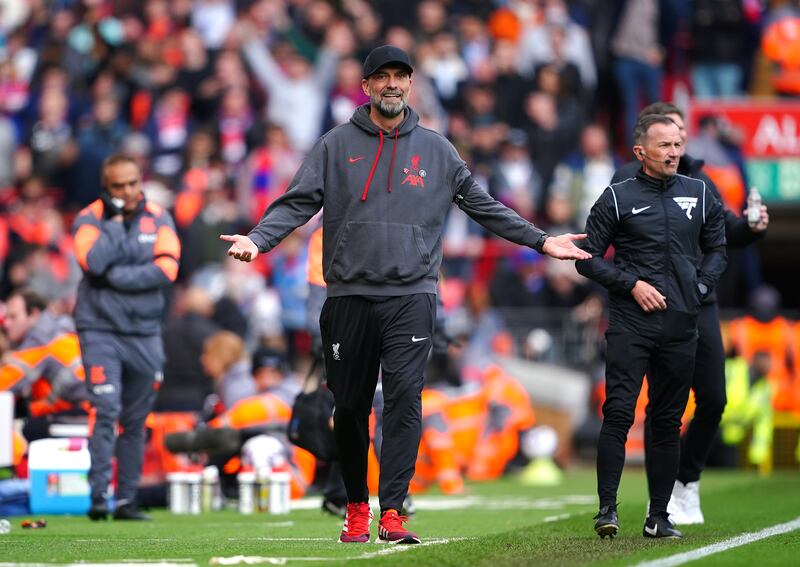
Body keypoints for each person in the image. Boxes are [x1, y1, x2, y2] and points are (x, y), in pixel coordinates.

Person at [220, 45, 590, 545]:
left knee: (403, 402)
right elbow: (295, 203)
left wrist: (542, 240)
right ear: (367, 86)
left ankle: (391, 511)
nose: (393, 84)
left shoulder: (437, 149)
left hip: (411, 296)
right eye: (383, 77)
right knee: (348, 408)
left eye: (401, 77)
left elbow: (485, 206)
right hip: (347, 296)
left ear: (410, 85)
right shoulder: (335, 145)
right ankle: (355, 504)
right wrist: (257, 239)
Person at [611, 102, 769, 525]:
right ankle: (657, 501)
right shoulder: (627, 178)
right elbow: (612, 238)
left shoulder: (702, 180)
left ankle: (688, 481)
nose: (675, 145)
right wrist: (626, 286)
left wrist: (753, 227)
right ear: (648, 140)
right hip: (646, 304)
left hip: (699, 301)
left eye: (679, 135)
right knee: (657, 407)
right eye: (667, 136)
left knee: (715, 398)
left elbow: (725, 234)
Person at [576, 114, 727, 539]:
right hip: (631, 325)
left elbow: (718, 248)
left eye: (678, 144)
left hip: (681, 324)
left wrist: (698, 287)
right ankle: (607, 510)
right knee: (619, 413)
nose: (674, 152)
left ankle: (658, 517)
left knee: (666, 421)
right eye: (664, 145)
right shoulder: (617, 197)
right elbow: (588, 258)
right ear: (641, 152)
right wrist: (632, 285)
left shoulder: (699, 192)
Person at [72, 154, 181, 521]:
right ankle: (99, 497)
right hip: (100, 329)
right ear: (107, 188)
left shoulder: (159, 216)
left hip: (145, 333)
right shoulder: (89, 219)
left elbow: (167, 268)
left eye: (133, 183)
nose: (129, 191)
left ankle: (126, 501)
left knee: (137, 420)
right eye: (119, 186)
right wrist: (116, 223)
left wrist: (117, 279)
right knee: (106, 411)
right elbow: (93, 263)